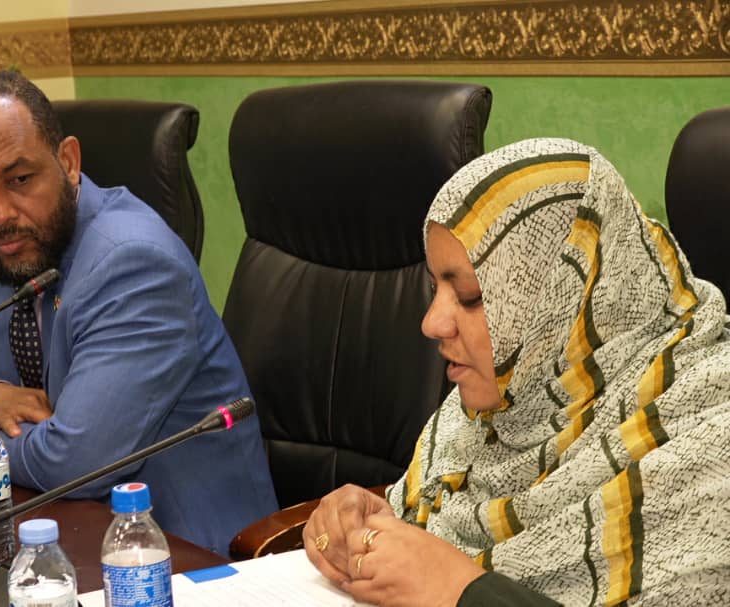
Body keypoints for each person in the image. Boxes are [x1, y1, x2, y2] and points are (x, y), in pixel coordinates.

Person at [303, 138, 730, 606]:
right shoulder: (514, 400)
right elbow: (431, 526)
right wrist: (374, 517)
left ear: (562, 304)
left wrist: (461, 590)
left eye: (470, 296)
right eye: (434, 286)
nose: (432, 323)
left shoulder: (710, 441)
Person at [0, 70, 277, 555]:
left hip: (183, 558)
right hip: (52, 539)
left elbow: (73, 461)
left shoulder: (134, 263)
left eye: (19, 179)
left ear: (68, 162)